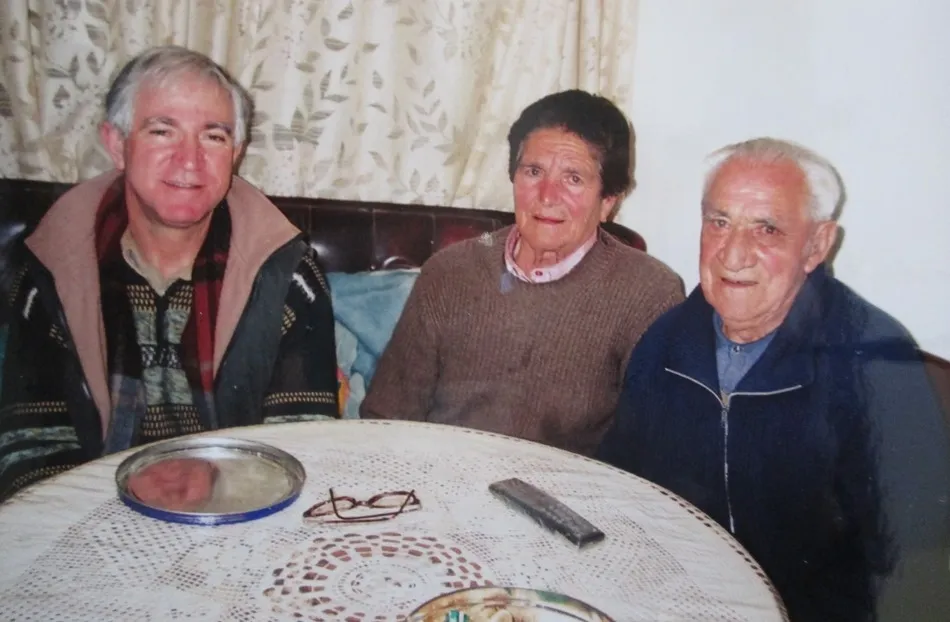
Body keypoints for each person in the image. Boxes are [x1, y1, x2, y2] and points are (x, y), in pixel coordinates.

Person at [598, 137, 950, 621]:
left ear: (817, 245)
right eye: (719, 222)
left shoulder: (876, 363)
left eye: (767, 229)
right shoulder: (667, 338)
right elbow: (620, 484)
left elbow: (917, 563)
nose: (733, 254)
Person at [0, 46, 339, 503]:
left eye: (213, 137)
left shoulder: (288, 273)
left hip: (239, 515)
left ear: (236, 154)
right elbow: (31, 450)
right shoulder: (52, 267)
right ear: (116, 144)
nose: (189, 160)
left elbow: (302, 446)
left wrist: (218, 507)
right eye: (162, 131)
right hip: (89, 516)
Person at [361, 90, 684, 455]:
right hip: (442, 472)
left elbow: (649, 452)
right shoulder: (450, 272)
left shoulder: (648, 294)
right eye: (533, 172)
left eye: (573, 178)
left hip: (564, 486)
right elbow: (386, 417)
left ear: (608, 201)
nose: (546, 195)